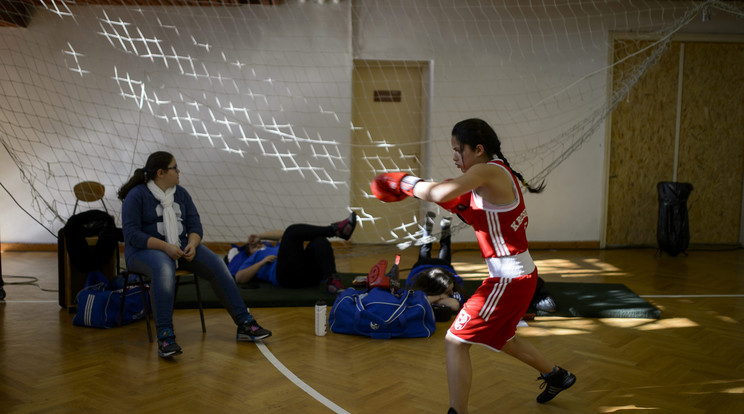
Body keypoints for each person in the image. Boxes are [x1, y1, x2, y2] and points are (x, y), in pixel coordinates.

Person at [371, 118, 575, 412]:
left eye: (459, 150)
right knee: (503, 338)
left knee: (455, 340)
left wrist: (403, 183)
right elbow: (467, 206)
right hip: (521, 274)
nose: (455, 157)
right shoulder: (497, 174)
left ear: (478, 150)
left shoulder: (486, 171)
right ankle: (557, 375)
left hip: (509, 279)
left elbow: (442, 194)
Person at [118, 151, 271, 359]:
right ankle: (165, 336)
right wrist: (166, 247)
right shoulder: (137, 195)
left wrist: (192, 243)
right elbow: (132, 235)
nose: (178, 171)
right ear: (161, 173)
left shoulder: (180, 193)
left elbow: (195, 225)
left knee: (217, 264)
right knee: (164, 268)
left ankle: (244, 323)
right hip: (143, 252)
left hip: (180, 247)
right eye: (174, 168)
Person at [227, 213, 357, 293]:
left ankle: (333, 282)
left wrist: (259, 236)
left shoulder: (276, 246)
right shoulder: (255, 257)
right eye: (253, 247)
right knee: (292, 230)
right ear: (249, 253)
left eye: (258, 244)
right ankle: (335, 230)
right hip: (286, 278)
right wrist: (262, 262)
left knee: (319, 241)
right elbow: (239, 277)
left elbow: (286, 235)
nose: (257, 245)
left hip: (307, 276)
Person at [406, 212, 465, 314]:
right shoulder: (418, 288)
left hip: (423, 266)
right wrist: (441, 297)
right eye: (448, 291)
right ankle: (439, 228)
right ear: (436, 289)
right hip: (442, 266)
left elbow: (455, 305)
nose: (452, 292)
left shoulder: (416, 287)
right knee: (438, 248)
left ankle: (429, 229)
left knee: (426, 249)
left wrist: (439, 296)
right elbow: (454, 305)